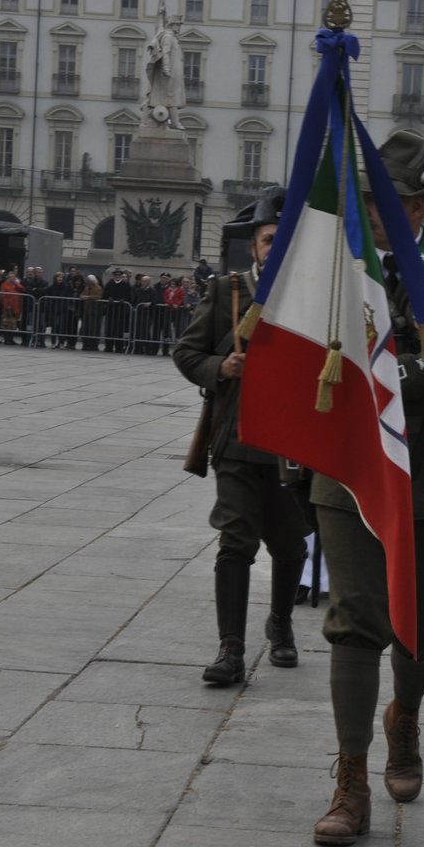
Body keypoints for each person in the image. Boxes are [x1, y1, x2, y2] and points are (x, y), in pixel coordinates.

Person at [305, 129, 424, 847]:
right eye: (371, 206)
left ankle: (404, 716)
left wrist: (382, 376)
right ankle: (351, 780)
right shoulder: (335, 266)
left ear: (418, 208)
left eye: (393, 206)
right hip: (352, 464)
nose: (380, 218)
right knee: (355, 618)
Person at [174, 188, 311, 684]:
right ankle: (230, 648)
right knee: (235, 544)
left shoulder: (312, 301)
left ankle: (281, 625)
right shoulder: (228, 291)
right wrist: (221, 366)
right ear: (254, 246)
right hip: (235, 440)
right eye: (268, 240)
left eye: (283, 240)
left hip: (292, 445)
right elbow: (186, 354)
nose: (274, 247)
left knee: (292, 546)